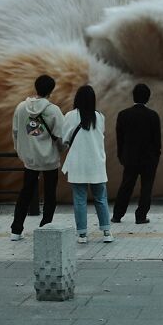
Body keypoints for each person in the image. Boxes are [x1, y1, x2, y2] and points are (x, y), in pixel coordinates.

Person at [10, 74, 65, 242]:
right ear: (51, 90)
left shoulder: (21, 108)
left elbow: (16, 132)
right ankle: (45, 227)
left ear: (36, 87)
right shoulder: (53, 110)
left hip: (30, 160)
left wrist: (21, 151)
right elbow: (61, 136)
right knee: (50, 195)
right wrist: (60, 151)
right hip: (49, 160)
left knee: (25, 194)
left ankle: (16, 230)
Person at [61, 84, 113, 244]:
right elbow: (100, 135)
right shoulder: (99, 117)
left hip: (78, 163)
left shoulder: (70, 116)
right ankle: (106, 232)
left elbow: (65, 139)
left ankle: (82, 234)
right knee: (100, 199)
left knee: (80, 199)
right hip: (96, 163)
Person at [111, 83, 161, 225]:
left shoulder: (123, 115)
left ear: (133, 96)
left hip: (130, 158)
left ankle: (117, 215)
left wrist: (121, 156)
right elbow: (157, 141)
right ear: (148, 98)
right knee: (146, 188)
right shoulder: (153, 116)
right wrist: (156, 156)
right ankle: (141, 216)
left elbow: (119, 139)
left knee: (126, 186)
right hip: (149, 159)